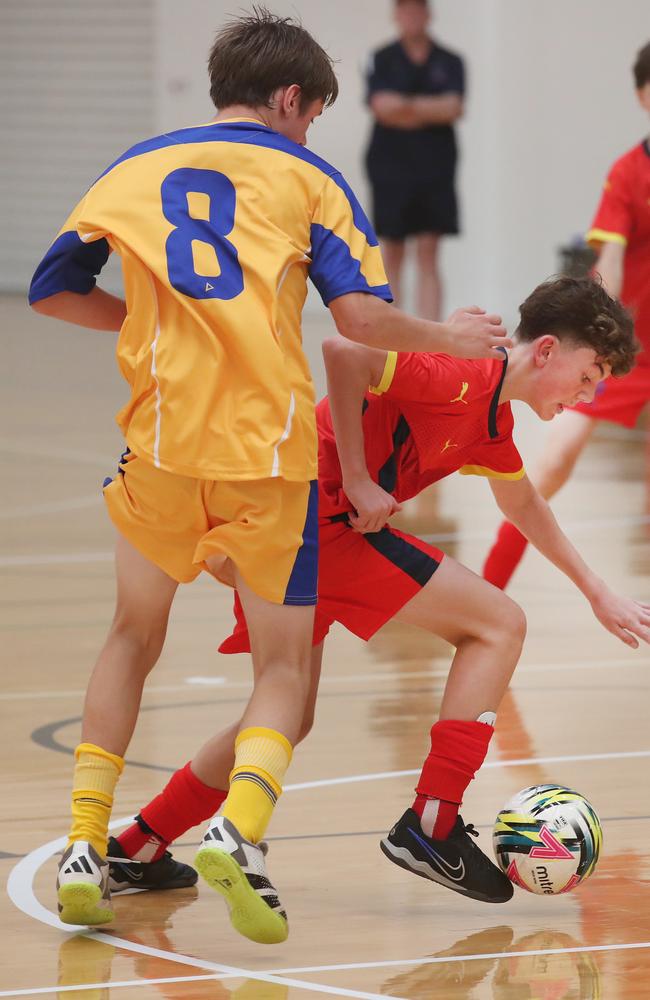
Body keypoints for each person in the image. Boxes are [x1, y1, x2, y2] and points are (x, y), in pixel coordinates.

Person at [29, 8, 509, 942]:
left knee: (132, 635)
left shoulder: (133, 167)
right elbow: (362, 323)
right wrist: (448, 337)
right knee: (286, 669)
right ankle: (240, 837)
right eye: (312, 113)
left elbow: (51, 288)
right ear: (290, 98)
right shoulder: (308, 177)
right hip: (267, 458)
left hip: (159, 448)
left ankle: (88, 844)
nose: (310, 130)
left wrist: (140, 324)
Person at [113, 276, 649, 908]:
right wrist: (363, 480)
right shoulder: (462, 373)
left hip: (289, 527)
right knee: (498, 624)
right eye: (590, 374)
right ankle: (432, 822)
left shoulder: (490, 417)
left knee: (287, 715)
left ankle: (137, 845)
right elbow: (344, 354)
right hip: (321, 519)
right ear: (549, 350)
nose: (590, 394)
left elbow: (523, 503)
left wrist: (596, 592)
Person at [483, 41, 650, 590]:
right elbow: (613, 259)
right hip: (630, 350)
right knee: (553, 464)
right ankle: (488, 593)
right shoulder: (627, 173)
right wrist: (609, 337)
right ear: (641, 97)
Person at [365, 0, 465, 320]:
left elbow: (452, 107)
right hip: (390, 167)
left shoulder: (450, 61)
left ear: (428, 14)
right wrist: (428, 110)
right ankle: (391, 329)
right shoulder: (380, 59)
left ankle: (430, 333)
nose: (411, 17)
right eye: (405, 10)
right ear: (396, 15)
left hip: (435, 168)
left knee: (429, 253)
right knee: (392, 251)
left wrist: (404, 108)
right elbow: (381, 106)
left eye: (417, 9)